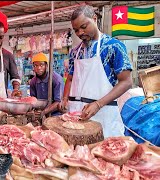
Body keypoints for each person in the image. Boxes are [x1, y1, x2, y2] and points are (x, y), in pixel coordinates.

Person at [58, 5, 133, 138]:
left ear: (94, 19)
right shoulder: (75, 52)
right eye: (76, 30)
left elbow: (126, 82)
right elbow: (70, 78)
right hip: (76, 116)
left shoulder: (113, 46)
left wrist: (98, 104)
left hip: (103, 115)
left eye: (84, 26)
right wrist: (64, 99)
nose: (80, 32)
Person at [29, 53, 64, 117]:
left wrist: (44, 112)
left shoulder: (56, 80)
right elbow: (33, 100)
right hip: (40, 113)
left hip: (56, 114)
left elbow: (58, 102)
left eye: (41, 65)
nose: (38, 68)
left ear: (46, 66)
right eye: (36, 65)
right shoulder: (33, 82)